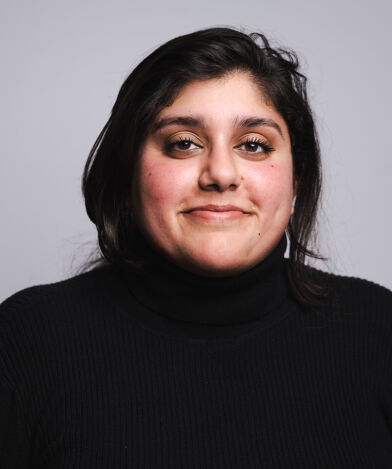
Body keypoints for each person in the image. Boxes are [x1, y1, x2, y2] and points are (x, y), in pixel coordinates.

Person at [0, 27, 391, 468]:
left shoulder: (381, 332)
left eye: (254, 145)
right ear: (128, 172)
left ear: (296, 178)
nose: (221, 174)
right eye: (183, 143)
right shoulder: (24, 342)